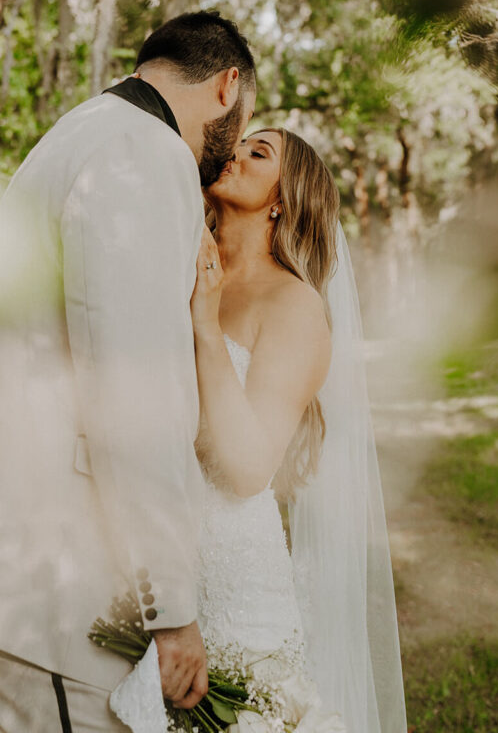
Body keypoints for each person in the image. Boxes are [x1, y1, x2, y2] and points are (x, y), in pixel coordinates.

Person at [0, 11, 257, 733]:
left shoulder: (81, 130)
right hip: (51, 589)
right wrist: (170, 608)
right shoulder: (146, 152)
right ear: (227, 86)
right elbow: (129, 389)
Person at [189, 128, 407, 732]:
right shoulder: (180, 266)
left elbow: (249, 468)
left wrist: (205, 329)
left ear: (284, 198)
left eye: (257, 153)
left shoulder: (293, 306)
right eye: (237, 144)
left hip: (229, 577)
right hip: (148, 557)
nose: (231, 153)